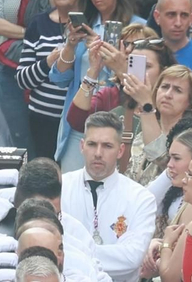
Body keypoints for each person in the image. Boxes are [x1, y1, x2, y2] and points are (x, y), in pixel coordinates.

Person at [61, 111, 157, 281]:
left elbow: (132, 258)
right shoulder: (60, 187)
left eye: (107, 146)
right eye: (92, 144)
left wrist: (70, 251)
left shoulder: (141, 198)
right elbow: (50, 247)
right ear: (81, 146)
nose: (98, 153)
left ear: (120, 150)